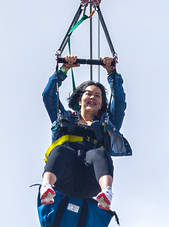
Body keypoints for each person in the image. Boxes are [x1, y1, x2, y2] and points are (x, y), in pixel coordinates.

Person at [40, 55, 130, 211]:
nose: (92, 97)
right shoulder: (64, 118)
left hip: (90, 181)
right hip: (63, 176)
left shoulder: (106, 125)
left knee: (99, 153)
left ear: (102, 104)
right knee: (62, 150)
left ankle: (106, 193)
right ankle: (47, 187)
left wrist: (112, 74)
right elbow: (48, 96)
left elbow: (120, 103)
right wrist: (64, 69)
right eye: (88, 94)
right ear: (80, 100)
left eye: (97, 96)